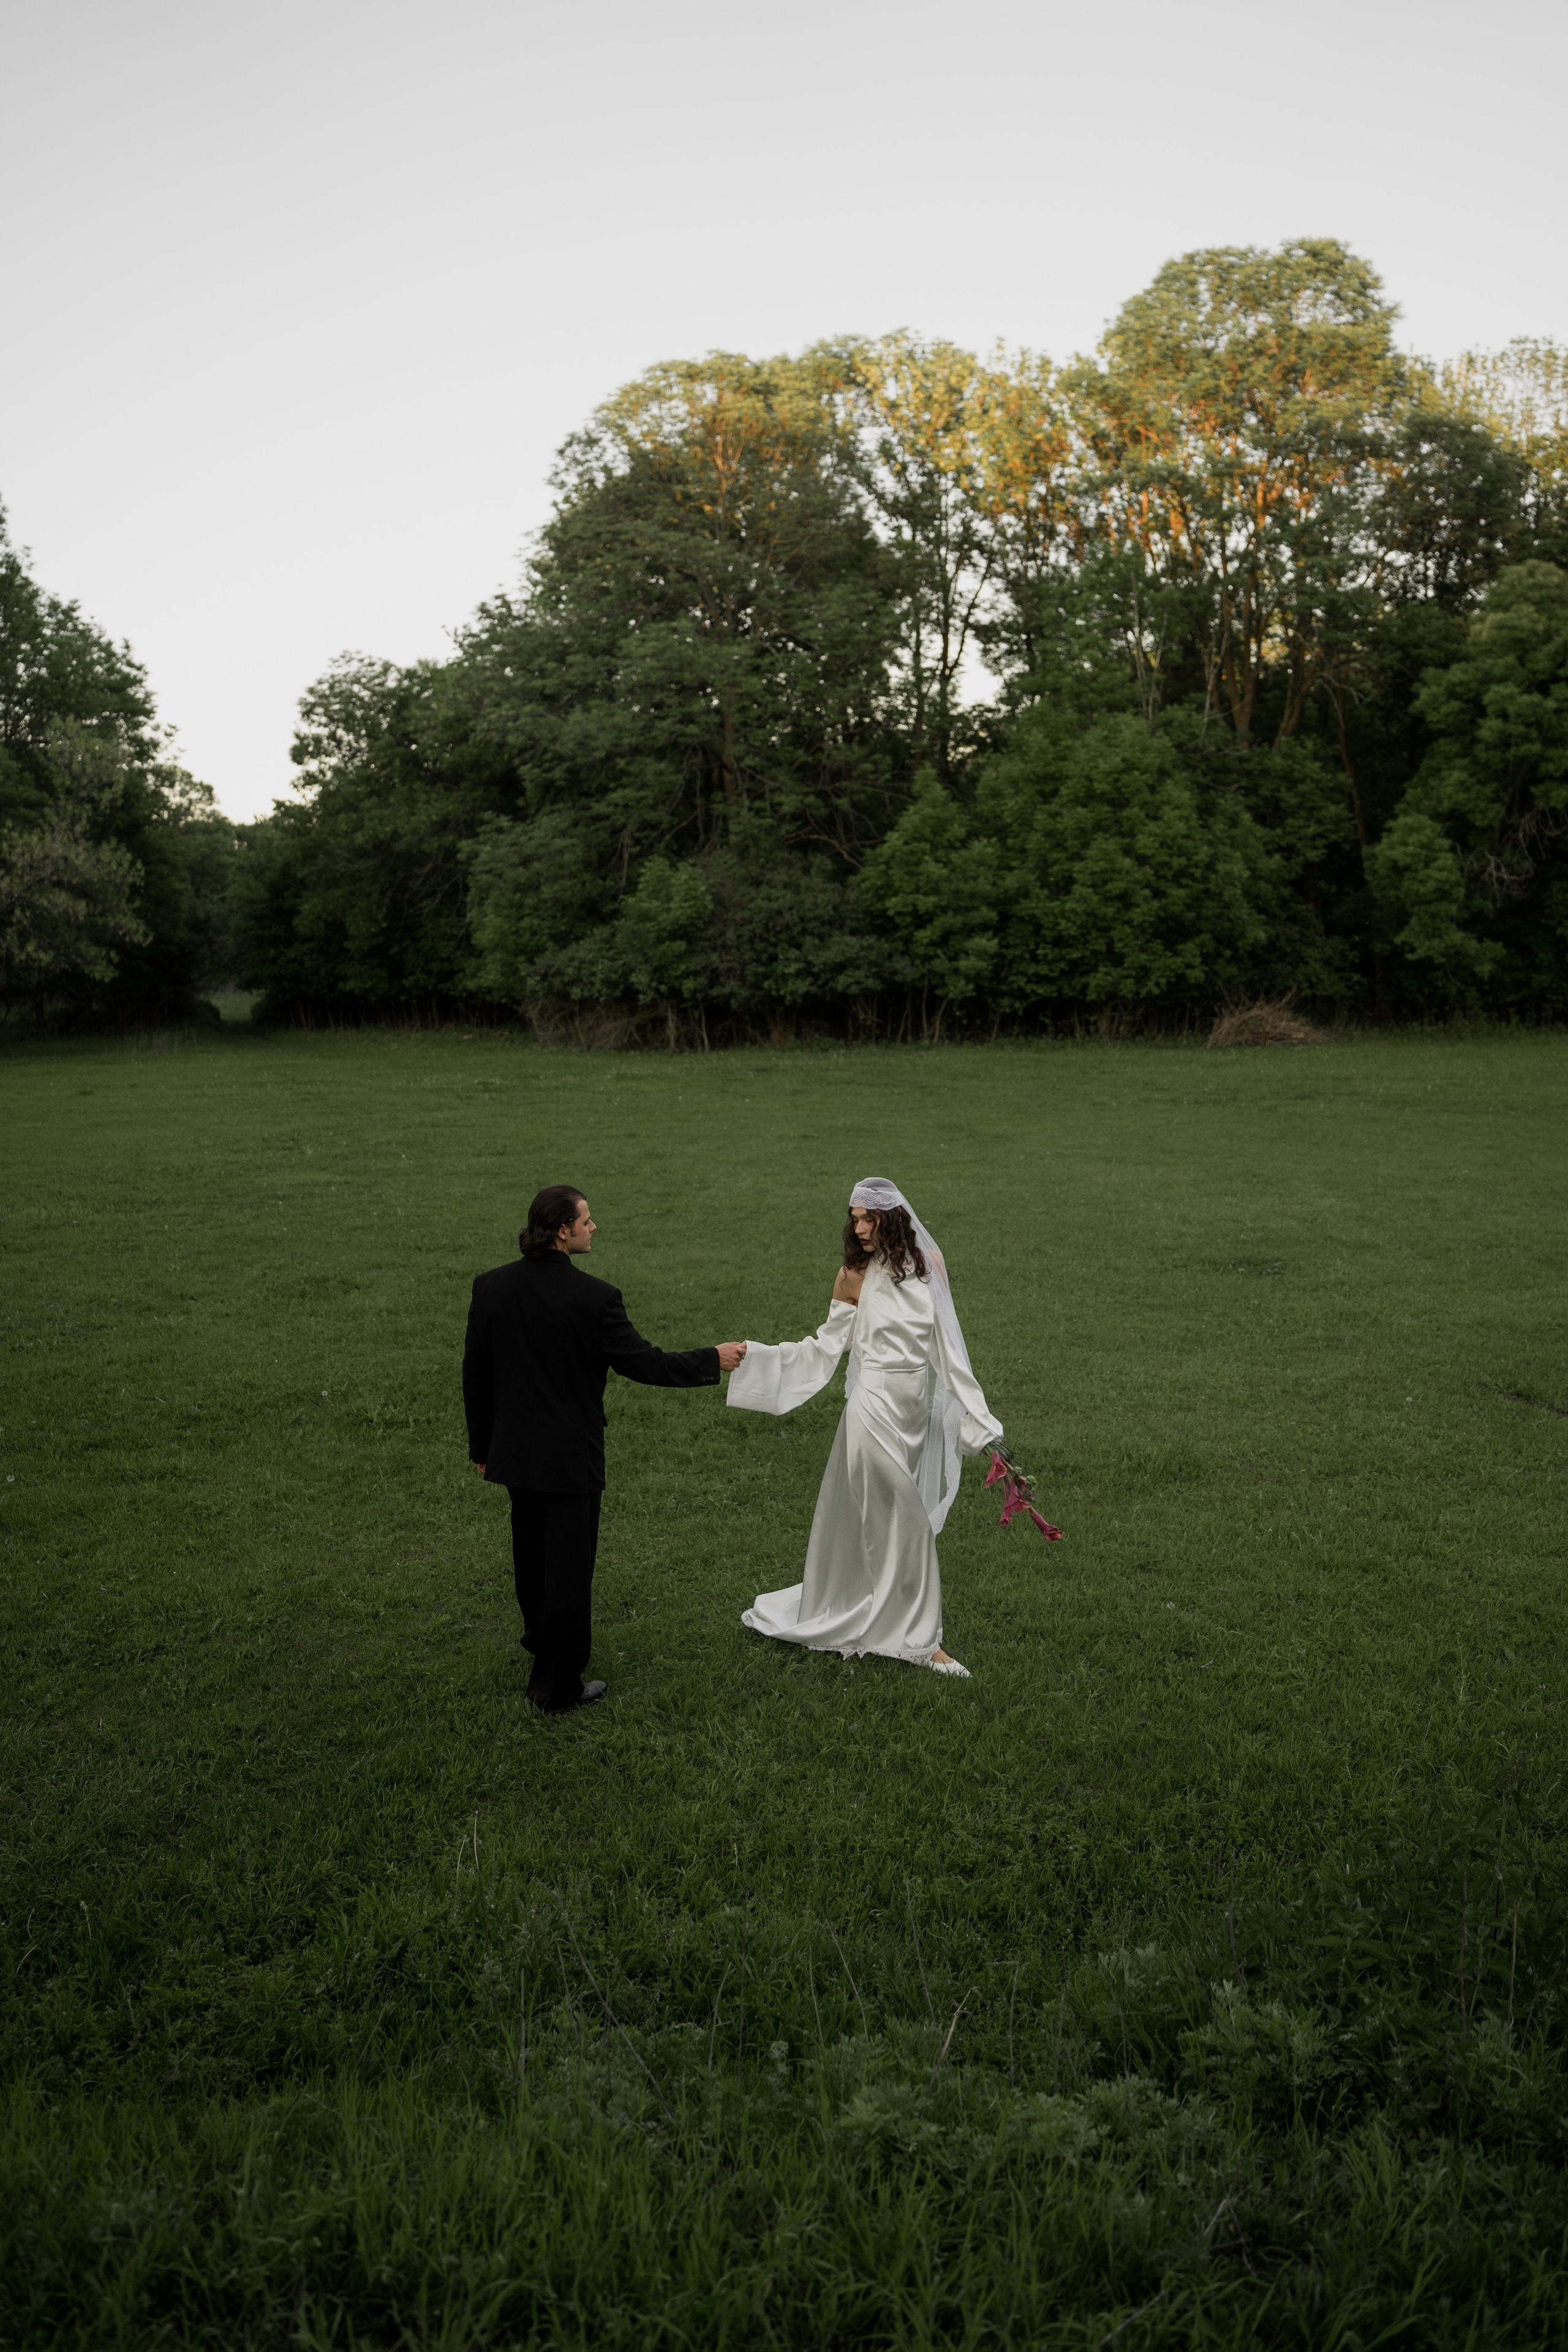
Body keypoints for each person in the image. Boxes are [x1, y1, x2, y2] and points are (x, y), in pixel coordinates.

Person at [463, 1185, 747, 1713]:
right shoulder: (595, 1299)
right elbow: (646, 1364)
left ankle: (538, 1640)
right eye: (587, 1221)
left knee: (530, 1557)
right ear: (562, 1231)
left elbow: (475, 1374)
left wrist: (483, 1447)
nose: (594, 1228)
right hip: (571, 1459)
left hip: (517, 1456)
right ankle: (556, 1687)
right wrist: (714, 1358)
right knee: (568, 1571)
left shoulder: (491, 1287)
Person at [727, 1177, 1002, 1678]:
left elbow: (950, 1354)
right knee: (911, 1522)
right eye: (853, 1218)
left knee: (885, 1521)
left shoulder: (929, 1268)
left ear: (891, 1218)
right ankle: (924, 1644)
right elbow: (823, 1348)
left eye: (866, 1218)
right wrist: (758, 1360)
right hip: (871, 1407)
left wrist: (982, 1425)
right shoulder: (852, 1275)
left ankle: (874, 1608)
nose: (857, 1227)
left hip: (913, 1410)